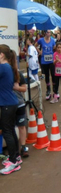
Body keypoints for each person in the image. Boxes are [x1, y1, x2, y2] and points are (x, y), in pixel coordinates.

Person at [0, 45, 20, 175]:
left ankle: (13, 162)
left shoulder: (3, 67)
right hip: (11, 103)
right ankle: (15, 157)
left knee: (8, 131)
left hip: (7, 104)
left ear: (1, 55)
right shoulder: (7, 67)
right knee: (11, 130)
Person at [36, 30, 56, 100]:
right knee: (46, 75)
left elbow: (54, 48)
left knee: (53, 74)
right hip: (44, 61)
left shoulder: (53, 40)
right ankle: (48, 90)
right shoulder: (41, 40)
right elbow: (36, 45)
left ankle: (54, 89)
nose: (49, 33)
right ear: (45, 33)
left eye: (50, 32)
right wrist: (39, 51)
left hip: (51, 60)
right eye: (47, 32)